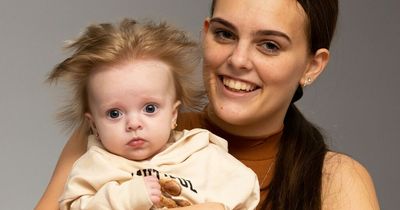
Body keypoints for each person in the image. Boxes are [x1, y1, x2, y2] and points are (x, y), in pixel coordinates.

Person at [36, 0, 381, 210]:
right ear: (205, 32)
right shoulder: (109, 138)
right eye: (225, 34)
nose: (238, 60)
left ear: (312, 65)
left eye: (270, 45)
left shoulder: (335, 178)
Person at [47, 19, 259, 210]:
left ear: (174, 114)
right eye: (114, 113)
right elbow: (75, 206)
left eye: (149, 109)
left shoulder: (200, 152)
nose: (133, 124)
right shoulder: (95, 166)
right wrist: (128, 198)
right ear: (93, 125)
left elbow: (244, 188)